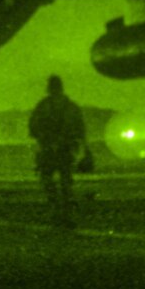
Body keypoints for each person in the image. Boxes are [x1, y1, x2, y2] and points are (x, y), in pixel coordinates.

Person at [28, 74, 87, 224]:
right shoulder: (71, 107)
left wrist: (46, 138)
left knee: (48, 180)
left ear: (49, 88)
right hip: (65, 149)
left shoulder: (43, 106)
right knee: (66, 182)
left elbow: (33, 128)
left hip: (48, 148)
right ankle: (66, 212)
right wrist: (81, 146)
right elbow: (80, 129)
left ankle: (55, 209)